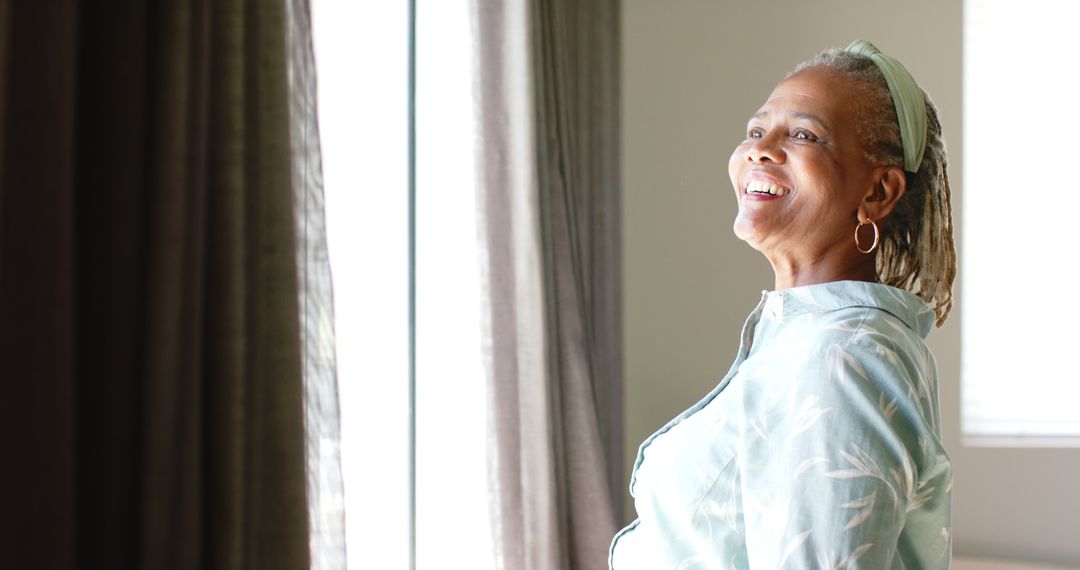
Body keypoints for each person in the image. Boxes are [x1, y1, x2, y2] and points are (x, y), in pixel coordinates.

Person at [609, 40, 956, 569]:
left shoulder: (845, 357)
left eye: (803, 134)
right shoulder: (813, 341)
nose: (760, 149)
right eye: (755, 130)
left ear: (880, 192)